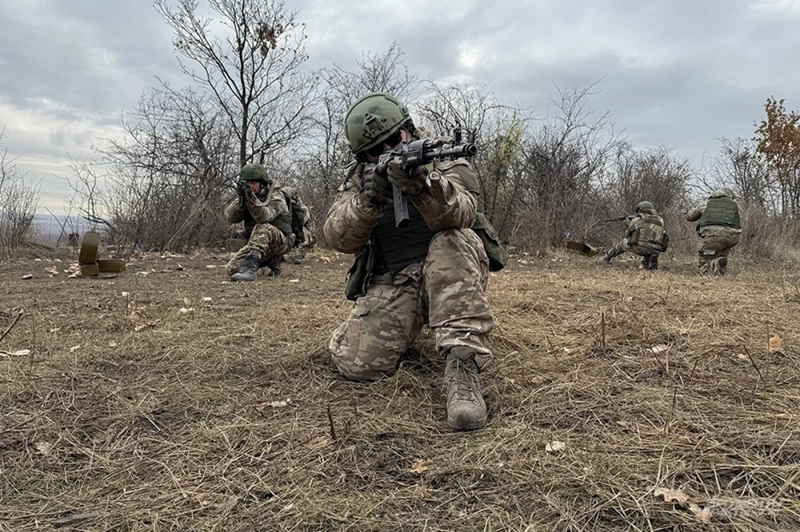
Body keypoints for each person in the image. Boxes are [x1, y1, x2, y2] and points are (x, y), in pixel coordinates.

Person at [324, 92, 497, 431]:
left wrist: (422, 187)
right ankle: (361, 331)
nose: (388, 151)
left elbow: (463, 211)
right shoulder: (359, 179)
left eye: (394, 140)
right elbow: (337, 238)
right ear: (363, 156)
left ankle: (463, 367)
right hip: (396, 282)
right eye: (377, 149)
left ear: (408, 130)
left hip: (450, 273)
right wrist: (370, 198)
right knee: (359, 366)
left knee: (452, 240)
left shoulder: (442, 156)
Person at [224, 164, 295, 281]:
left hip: (283, 240)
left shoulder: (277, 197)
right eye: (247, 183)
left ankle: (250, 271)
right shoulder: (247, 195)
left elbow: (265, 217)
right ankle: (270, 260)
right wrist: (242, 199)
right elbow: (230, 217)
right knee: (232, 268)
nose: (250, 186)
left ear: (262, 183)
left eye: (253, 183)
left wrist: (251, 198)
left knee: (262, 227)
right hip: (259, 243)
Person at [685, 188, 741, 275]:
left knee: (705, 254)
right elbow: (740, 216)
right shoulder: (735, 204)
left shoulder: (706, 203)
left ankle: (704, 273)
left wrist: (687, 213)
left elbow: (691, 216)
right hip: (733, 235)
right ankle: (720, 269)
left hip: (712, 233)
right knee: (723, 251)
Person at [602, 201, 669, 269]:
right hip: (656, 249)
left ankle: (607, 257)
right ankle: (649, 262)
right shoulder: (660, 220)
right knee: (648, 244)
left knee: (623, 243)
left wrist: (628, 223)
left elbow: (627, 235)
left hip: (641, 248)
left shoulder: (637, 220)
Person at [282, 186, 316, 265]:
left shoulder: (303, 209)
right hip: (292, 236)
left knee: (299, 230)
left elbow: (298, 224)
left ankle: (298, 254)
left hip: (305, 236)